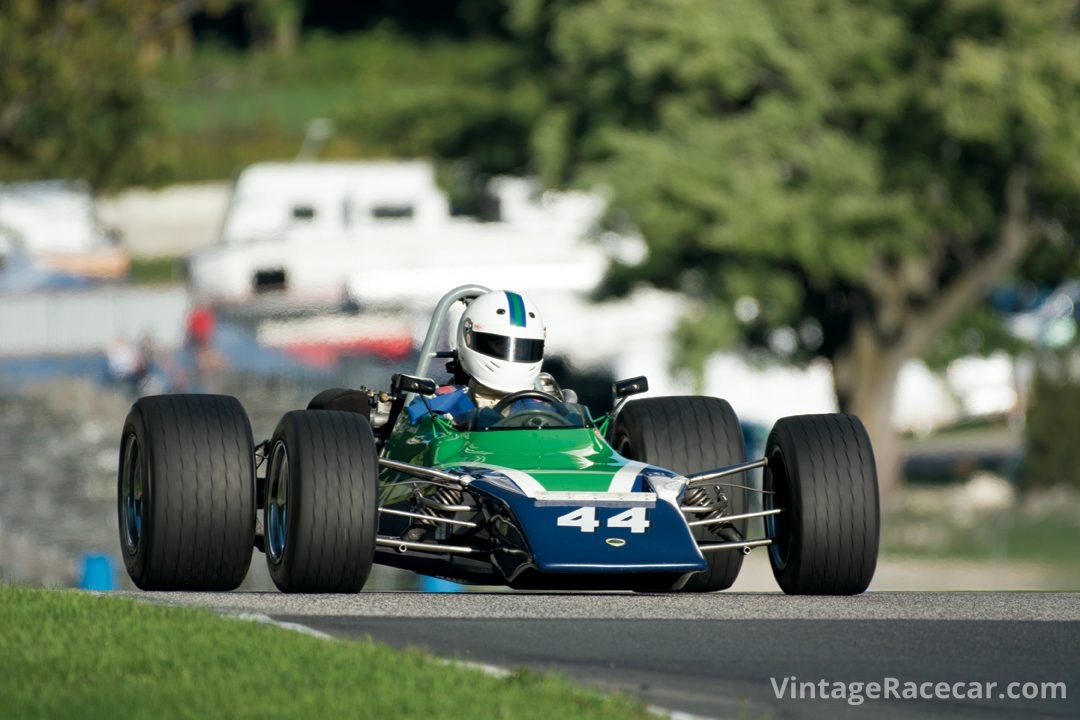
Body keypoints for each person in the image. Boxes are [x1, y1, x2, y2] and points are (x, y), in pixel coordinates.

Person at [406, 289, 556, 426]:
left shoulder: (544, 410)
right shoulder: (438, 405)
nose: (513, 354)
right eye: (500, 345)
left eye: (524, 347)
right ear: (469, 339)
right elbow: (412, 436)